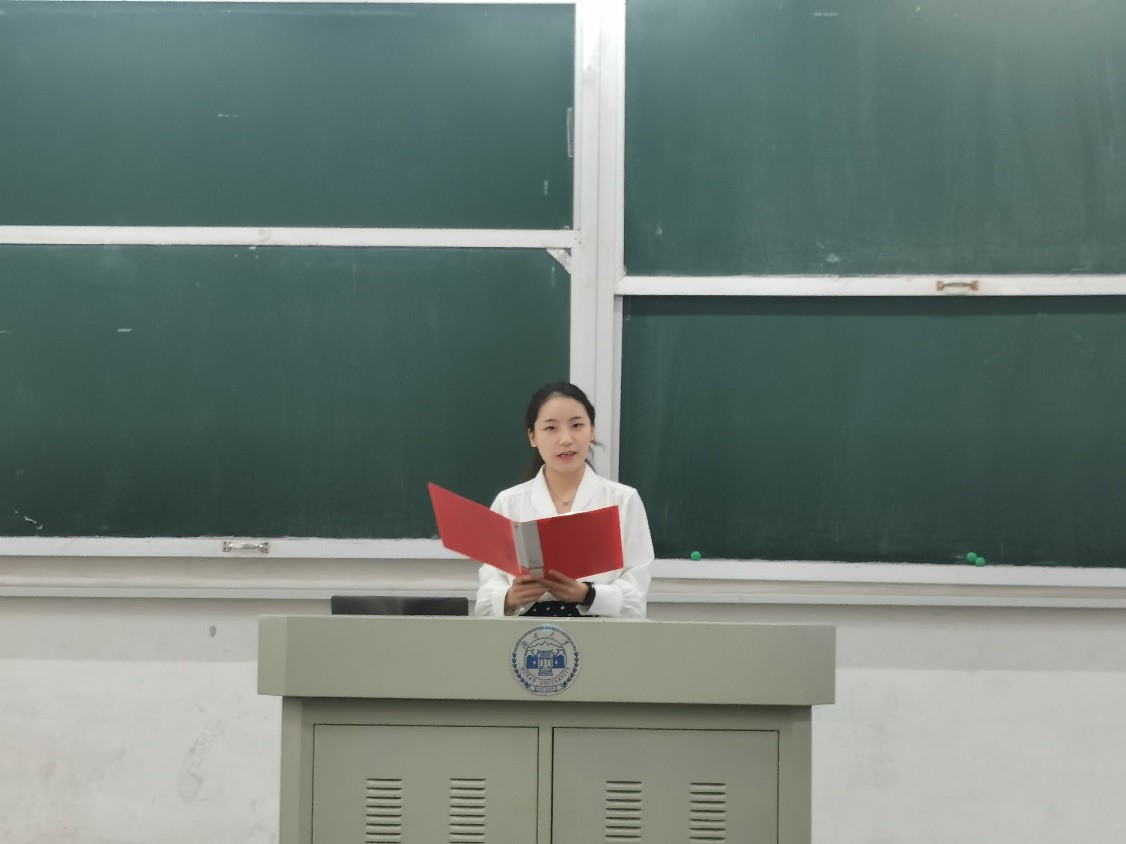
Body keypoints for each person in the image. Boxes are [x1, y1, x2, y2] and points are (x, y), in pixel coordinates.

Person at [475, 381, 654, 618]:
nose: (566, 439)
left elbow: (636, 597)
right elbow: (487, 595)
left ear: (592, 430)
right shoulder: (508, 503)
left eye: (577, 425)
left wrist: (587, 595)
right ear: (532, 436)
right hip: (523, 633)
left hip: (602, 631)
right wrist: (509, 597)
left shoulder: (623, 500)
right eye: (551, 428)